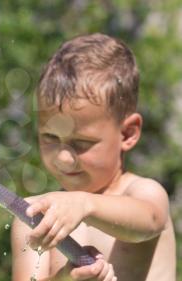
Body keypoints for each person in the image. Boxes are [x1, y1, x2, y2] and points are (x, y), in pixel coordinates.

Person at [11, 33, 176, 281]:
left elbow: (149, 221)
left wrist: (85, 204)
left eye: (81, 142)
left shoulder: (144, 194)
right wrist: (65, 278)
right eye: (50, 137)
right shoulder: (34, 216)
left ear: (128, 133)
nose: (64, 158)